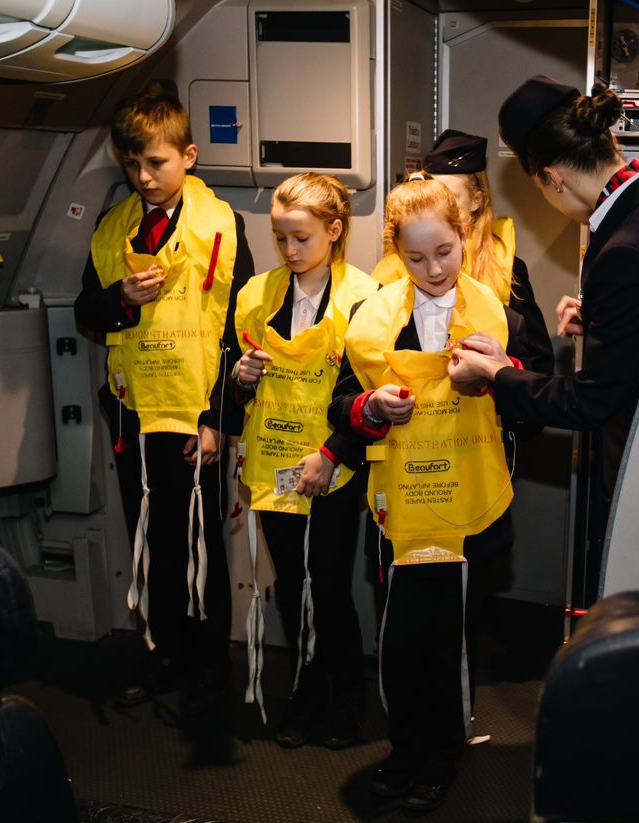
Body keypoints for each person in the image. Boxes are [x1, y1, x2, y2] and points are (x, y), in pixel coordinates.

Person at [448, 76, 639, 607]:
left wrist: (498, 374)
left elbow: (593, 401)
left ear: (551, 178)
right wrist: (602, 325)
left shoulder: (624, 247)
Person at [327, 177, 535, 814]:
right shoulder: (372, 323)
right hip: (400, 510)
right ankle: (406, 749)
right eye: (415, 258)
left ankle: (440, 758)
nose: (433, 268)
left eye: (443, 251)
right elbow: (338, 409)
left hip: (468, 510)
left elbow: (536, 412)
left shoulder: (505, 317)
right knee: (400, 641)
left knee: (448, 644)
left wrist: (505, 372)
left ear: (464, 237)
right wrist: (370, 407)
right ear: (395, 252)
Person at [74, 81, 254, 714]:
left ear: (189, 156)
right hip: (133, 410)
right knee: (152, 543)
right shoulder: (111, 225)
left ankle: (210, 668)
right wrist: (123, 298)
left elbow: (241, 328)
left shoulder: (223, 226)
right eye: (132, 164)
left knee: (202, 542)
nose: (144, 177)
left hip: (195, 414)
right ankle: (165, 655)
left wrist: (218, 423)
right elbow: (86, 310)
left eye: (155, 162)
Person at [227, 173, 378, 749]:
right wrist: (240, 379)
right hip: (274, 463)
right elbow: (237, 387)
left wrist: (331, 453)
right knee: (290, 583)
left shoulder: (363, 298)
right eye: (281, 238)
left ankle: (346, 700)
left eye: (302, 238)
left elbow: (366, 392)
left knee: (330, 585)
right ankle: (306, 692)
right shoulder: (259, 295)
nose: (290, 251)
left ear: (335, 231)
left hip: (332, 465)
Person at [372, 129, 553, 376]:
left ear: (477, 200)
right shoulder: (393, 267)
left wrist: (501, 368)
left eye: (449, 197)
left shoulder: (505, 268)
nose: (437, 206)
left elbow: (538, 364)